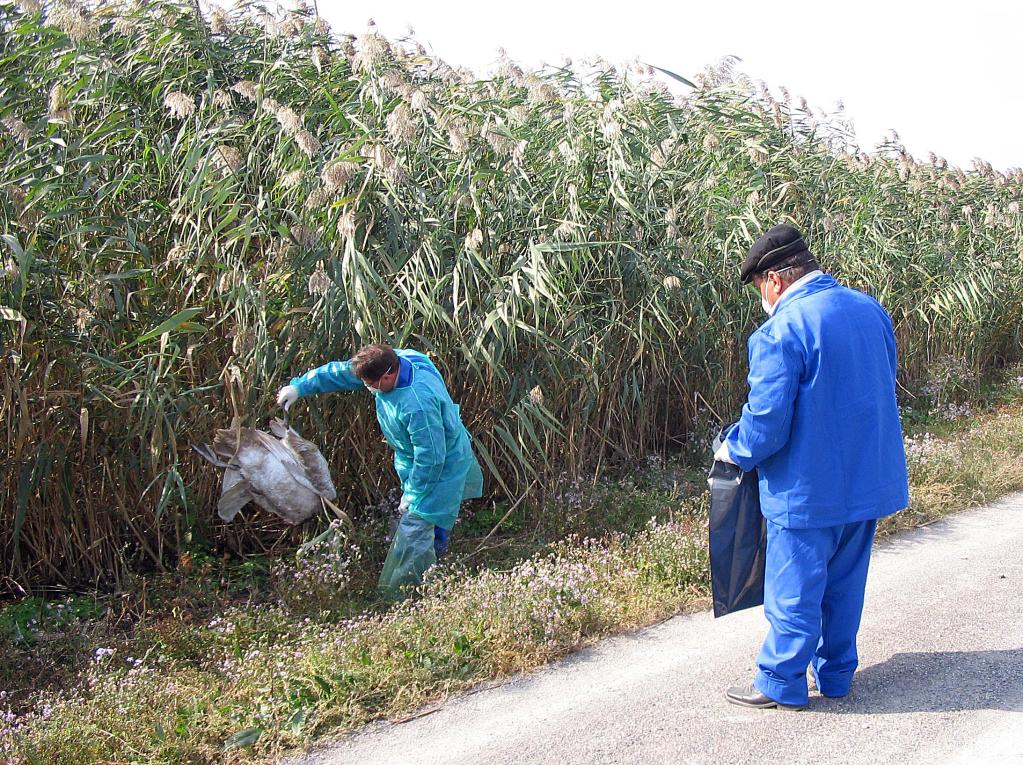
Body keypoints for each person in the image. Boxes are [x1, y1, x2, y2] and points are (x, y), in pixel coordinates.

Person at [715, 223, 909, 710]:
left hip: (806, 490)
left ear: (774, 281)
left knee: (795, 591)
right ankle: (838, 675)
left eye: (760, 288)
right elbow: (879, 385)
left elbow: (766, 424)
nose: (764, 298)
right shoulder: (871, 310)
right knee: (845, 585)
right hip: (866, 481)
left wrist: (731, 449)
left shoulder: (779, 332)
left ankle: (781, 682)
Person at [276, 343, 484, 599]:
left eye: (371, 384)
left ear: (387, 376)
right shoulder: (401, 360)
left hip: (442, 465)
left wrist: (415, 493)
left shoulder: (417, 404)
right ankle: (431, 565)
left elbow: (431, 457)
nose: (368, 388)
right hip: (415, 459)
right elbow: (344, 372)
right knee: (423, 518)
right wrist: (301, 386)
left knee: (420, 523)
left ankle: (407, 594)